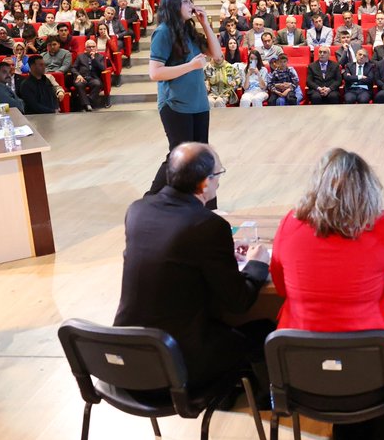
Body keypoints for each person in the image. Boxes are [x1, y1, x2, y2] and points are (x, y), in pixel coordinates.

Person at [269, 148, 384, 440]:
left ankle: (346, 437)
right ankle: (383, 435)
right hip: (376, 366)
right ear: (368, 189)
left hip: (300, 369)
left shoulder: (290, 224)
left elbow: (281, 288)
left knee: (336, 361)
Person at [114, 143, 273, 397]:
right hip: (173, 365)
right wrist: (258, 264)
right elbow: (238, 301)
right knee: (265, 329)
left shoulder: (137, 211)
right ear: (204, 183)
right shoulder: (208, 225)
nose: (219, 182)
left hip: (126, 358)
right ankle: (262, 401)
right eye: (218, 175)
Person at [147, 0, 221, 202]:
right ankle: (151, 199)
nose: (191, 5)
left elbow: (216, 55)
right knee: (178, 156)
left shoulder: (189, 30)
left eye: (191, 0)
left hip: (198, 102)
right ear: (173, 5)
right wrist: (190, 66)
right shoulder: (163, 32)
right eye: (186, 1)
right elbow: (155, 73)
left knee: (202, 157)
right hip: (175, 104)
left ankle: (206, 203)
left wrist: (205, 23)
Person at [72, 40, 108, 111]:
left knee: (97, 84)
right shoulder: (80, 56)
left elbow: (103, 68)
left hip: (93, 78)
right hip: (82, 77)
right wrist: (78, 75)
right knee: (79, 84)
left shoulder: (100, 57)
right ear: (85, 48)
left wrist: (94, 59)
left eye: (93, 47)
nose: (91, 48)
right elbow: (73, 68)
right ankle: (88, 105)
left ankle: (87, 103)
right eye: (89, 47)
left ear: (96, 48)